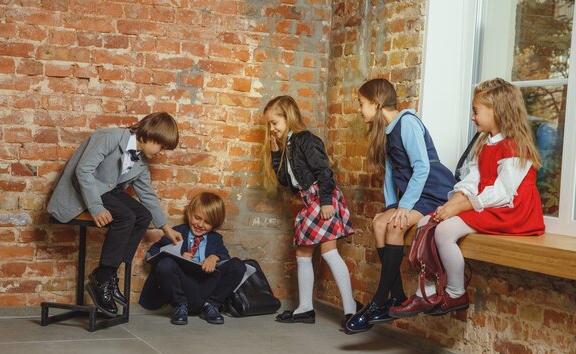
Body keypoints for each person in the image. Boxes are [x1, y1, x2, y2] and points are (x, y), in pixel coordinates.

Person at [389, 77, 545, 318]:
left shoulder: (514, 146)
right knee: (425, 223)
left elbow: (502, 193)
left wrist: (463, 206)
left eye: (476, 111)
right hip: (489, 204)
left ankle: (455, 292)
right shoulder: (486, 143)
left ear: (497, 111)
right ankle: (426, 293)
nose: (472, 117)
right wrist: (451, 204)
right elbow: (473, 180)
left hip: (511, 210)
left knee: (444, 232)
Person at [345, 79, 456, 334]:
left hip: (433, 192)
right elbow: (389, 175)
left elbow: (422, 167)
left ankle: (379, 300)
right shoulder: (385, 131)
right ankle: (395, 296)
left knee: (395, 226)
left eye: (362, 104)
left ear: (376, 103)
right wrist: (392, 205)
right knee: (379, 221)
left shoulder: (407, 122)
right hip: (413, 196)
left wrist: (404, 208)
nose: (360, 110)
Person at [48, 112, 182, 318]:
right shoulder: (110, 137)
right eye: (162, 146)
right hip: (83, 190)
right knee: (127, 217)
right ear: (149, 135)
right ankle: (102, 279)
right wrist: (96, 207)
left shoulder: (141, 162)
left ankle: (106, 274)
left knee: (143, 216)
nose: (162, 153)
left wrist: (166, 228)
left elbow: (147, 195)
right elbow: (83, 171)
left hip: (109, 191)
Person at [263, 95, 358, 326]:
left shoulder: (305, 139)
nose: (272, 129)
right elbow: (286, 181)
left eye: (275, 123)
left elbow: (324, 171)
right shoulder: (286, 145)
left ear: (288, 117)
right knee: (305, 253)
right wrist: (276, 154)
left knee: (328, 252)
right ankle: (306, 308)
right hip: (310, 202)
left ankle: (351, 310)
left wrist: (326, 201)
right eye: (270, 125)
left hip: (323, 198)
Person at [139, 192, 246, 325]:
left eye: (207, 222)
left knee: (238, 265)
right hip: (182, 287)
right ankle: (180, 306)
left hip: (205, 288)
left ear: (215, 224)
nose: (200, 224)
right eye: (197, 218)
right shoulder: (177, 232)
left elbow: (225, 256)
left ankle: (211, 306)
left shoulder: (216, 239)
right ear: (189, 213)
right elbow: (152, 253)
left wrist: (214, 257)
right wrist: (177, 256)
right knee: (165, 264)